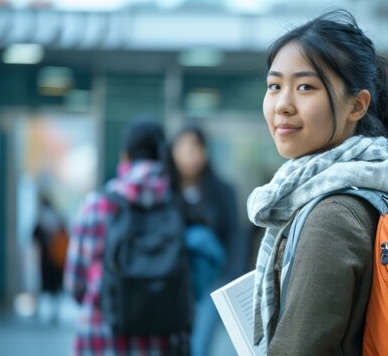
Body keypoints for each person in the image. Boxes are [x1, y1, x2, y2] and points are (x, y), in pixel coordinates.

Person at [247, 10, 388, 354]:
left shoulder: (332, 217)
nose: (282, 105)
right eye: (275, 86)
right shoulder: (385, 184)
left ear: (357, 105)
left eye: (305, 87)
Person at [64, 120, 190, 355]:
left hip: (100, 336)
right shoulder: (178, 205)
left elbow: (75, 283)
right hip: (161, 340)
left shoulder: (97, 205)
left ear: (125, 156)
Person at [171, 125, 241, 356]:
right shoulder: (165, 191)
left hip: (213, 283)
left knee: (199, 346)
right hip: (176, 283)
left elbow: (235, 238)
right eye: (183, 149)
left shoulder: (222, 191)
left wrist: (230, 277)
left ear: (204, 152)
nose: (189, 155)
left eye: (195, 148)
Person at [32, 192, 68, 323]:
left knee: (43, 285)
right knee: (54, 287)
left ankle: (38, 309)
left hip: (46, 259)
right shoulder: (59, 218)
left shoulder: (42, 219)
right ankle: (54, 312)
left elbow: (34, 235)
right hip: (57, 259)